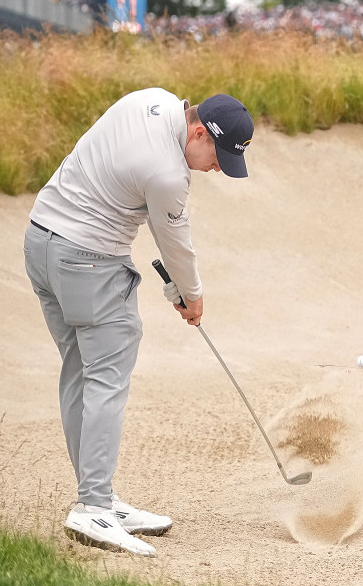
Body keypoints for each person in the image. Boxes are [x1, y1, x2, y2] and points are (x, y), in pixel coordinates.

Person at [23, 88, 254, 557]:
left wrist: (177, 287)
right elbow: (175, 242)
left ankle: (99, 498)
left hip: (41, 243)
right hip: (87, 261)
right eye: (217, 156)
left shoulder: (149, 98)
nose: (215, 169)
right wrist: (191, 296)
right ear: (197, 131)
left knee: (80, 373)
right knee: (106, 376)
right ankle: (92, 507)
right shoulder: (169, 173)